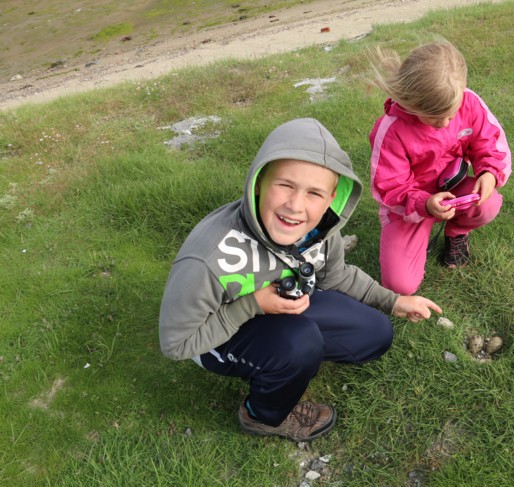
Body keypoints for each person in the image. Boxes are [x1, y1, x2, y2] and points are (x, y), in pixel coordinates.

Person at [159, 118, 442, 442]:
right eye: (285, 185)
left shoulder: (320, 229)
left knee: (374, 333)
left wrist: (393, 301)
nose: (295, 206)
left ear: (331, 198)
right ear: (258, 182)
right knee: (299, 343)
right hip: (219, 335)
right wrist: (253, 305)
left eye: (314, 193)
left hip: (280, 307)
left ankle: (289, 357)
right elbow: (177, 345)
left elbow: (337, 276)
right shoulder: (208, 258)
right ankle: (261, 415)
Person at [368, 40, 512, 295]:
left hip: (453, 189)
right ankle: (415, 234)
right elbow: (389, 187)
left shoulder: (469, 102)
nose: (445, 123)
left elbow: (489, 143)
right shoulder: (391, 130)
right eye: (435, 118)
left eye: (451, 115)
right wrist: (425, 204)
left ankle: (457, 232)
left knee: (488, 203)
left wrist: (489, 172)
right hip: (410, 206)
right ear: (412, 103)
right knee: (400, 286)